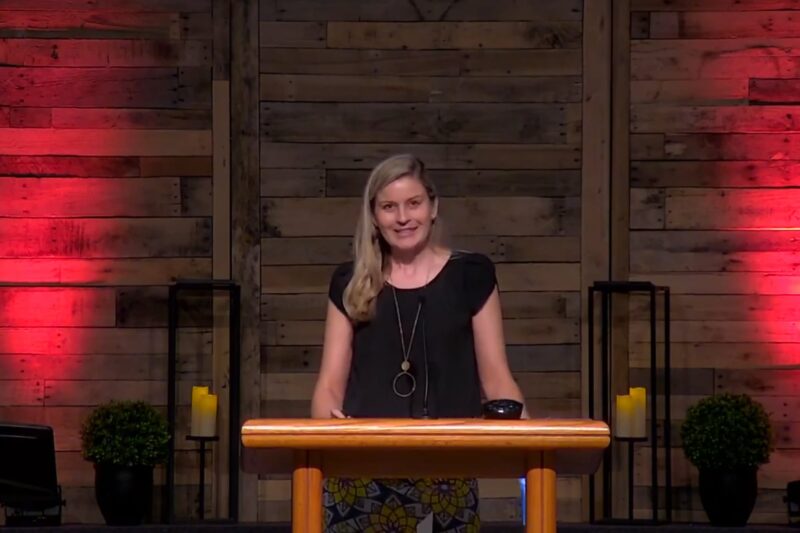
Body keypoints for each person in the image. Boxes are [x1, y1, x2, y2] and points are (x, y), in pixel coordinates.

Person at [311, 153, 528, 532]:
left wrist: (538, 442)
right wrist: (331, 442)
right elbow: (329, 385)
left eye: (414, 203)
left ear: (433, 207)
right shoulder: (350, 282)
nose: (403, 217)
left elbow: (496, 380)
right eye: (389, 207)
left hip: (448, 474)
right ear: (375, 217)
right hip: (361, 474)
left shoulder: (470, 276)